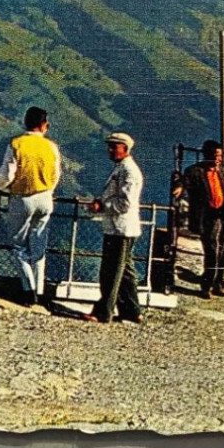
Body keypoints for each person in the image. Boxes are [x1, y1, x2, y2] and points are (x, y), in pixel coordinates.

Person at [0, 106, 61, 306]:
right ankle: (39, 292)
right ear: (44, 125)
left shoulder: (16, 144)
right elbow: (56, 175)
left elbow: (7, 175)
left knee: (19, 245)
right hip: (46, 197)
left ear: (26, 123)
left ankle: (28, 289)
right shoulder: (52, 147)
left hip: (22, 198)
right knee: (39, 247)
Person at [87, 131, 144, 324]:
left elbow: (124, 204)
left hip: (121, 229)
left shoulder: (128, 171)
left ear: (125, 149)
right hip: (119, 228)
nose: (110, 150)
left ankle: (103, 312)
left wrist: (101, 206)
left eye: (114, 146)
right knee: (125, 272)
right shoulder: (123, 168)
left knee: (111, 272)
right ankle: (132, 311)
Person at [176, 139, 224, 297]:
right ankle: (206, 285)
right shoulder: (195, 171)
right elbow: (184, 182)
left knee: (222, 250)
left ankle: (218, 284)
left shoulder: (221, 172)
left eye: (220, 156)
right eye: (216, 155)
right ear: (207, 155)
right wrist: (179, 187)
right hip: (207, 217)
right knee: (211, 251)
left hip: (223, 216)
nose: (219, 159)